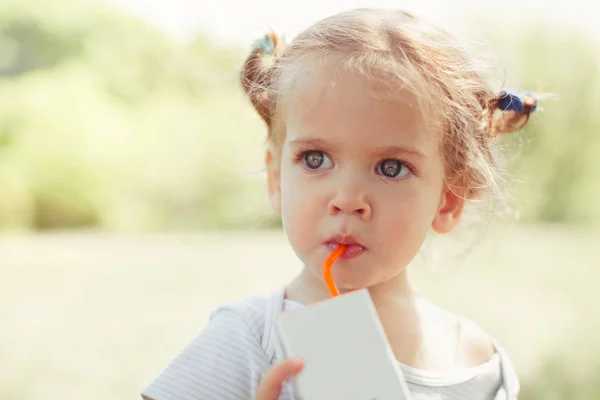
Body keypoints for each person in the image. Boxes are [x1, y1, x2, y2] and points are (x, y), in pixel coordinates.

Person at [141, 8, 539, 400]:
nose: (348, 200)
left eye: (391, 167)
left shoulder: (478, 364)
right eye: (315, 159)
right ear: (276, 178)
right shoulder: (247, 343)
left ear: (448, 200)